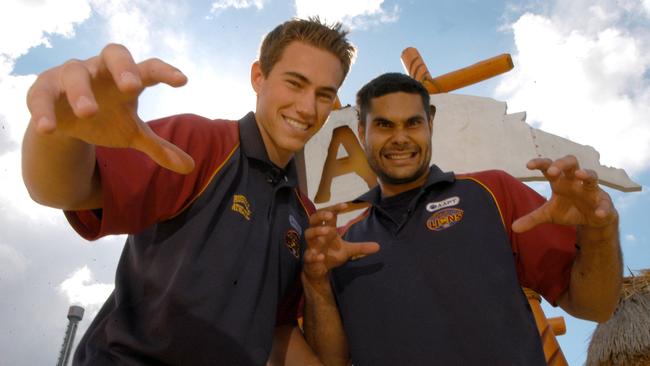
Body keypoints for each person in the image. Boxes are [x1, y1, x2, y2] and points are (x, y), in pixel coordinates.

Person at [22, 18, 367, 366]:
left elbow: (276, 332)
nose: (308, 108)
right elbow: (71, 191)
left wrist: (318, 282)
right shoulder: (201, 143)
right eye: (295, 83)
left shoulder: (304, 214)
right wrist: (62, 131)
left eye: (325, 95)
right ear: (258, 77)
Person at [301, 72, 623, 365]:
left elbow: (596, 306)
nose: (400, 137)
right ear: (361, 132)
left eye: (412, 123)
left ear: (430, 123)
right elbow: (331, 360)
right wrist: (317, 283)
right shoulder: (341, 244)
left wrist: (598, 232)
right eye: (384, 125)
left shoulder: (493, 192)